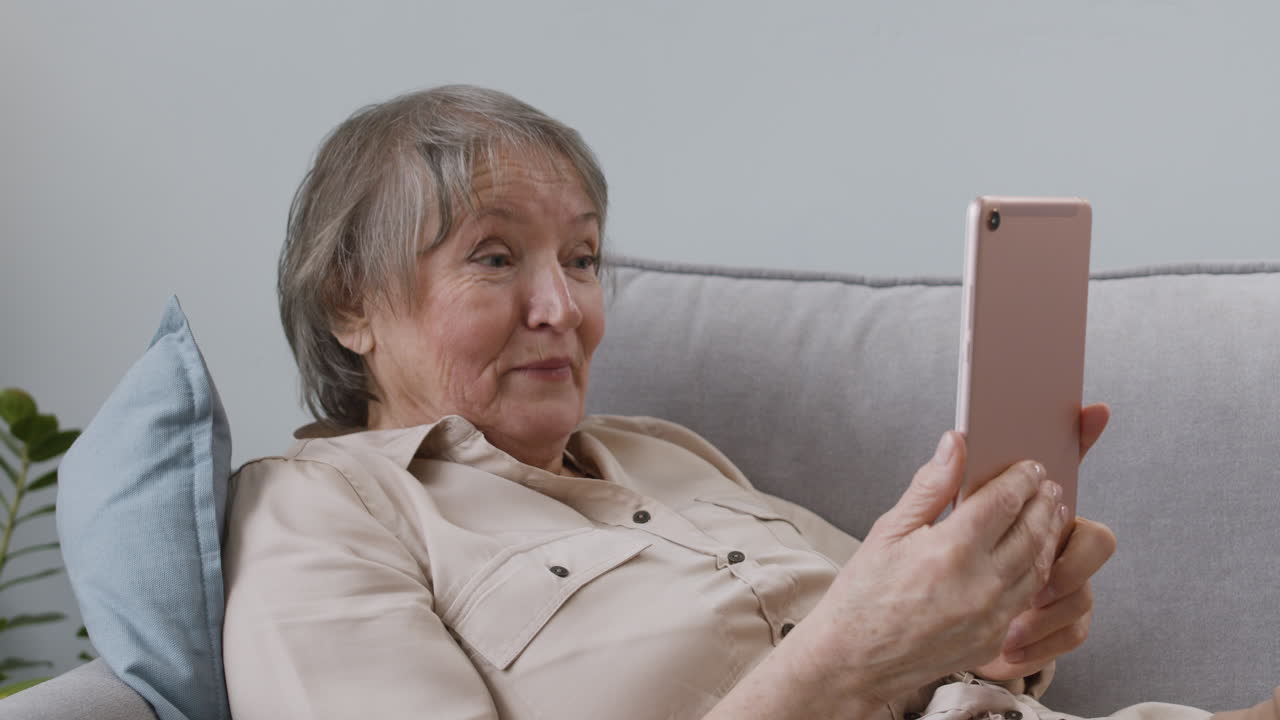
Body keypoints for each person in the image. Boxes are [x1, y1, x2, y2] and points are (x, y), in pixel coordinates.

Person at [220, 85, 1277, 720]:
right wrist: (853, 658)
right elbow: (852, 656)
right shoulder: (320, 512)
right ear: (349, 303)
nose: (562, 306)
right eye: (493, 257)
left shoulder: (665, 454)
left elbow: (898, 658)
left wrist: (990, 639)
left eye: (582, 257)